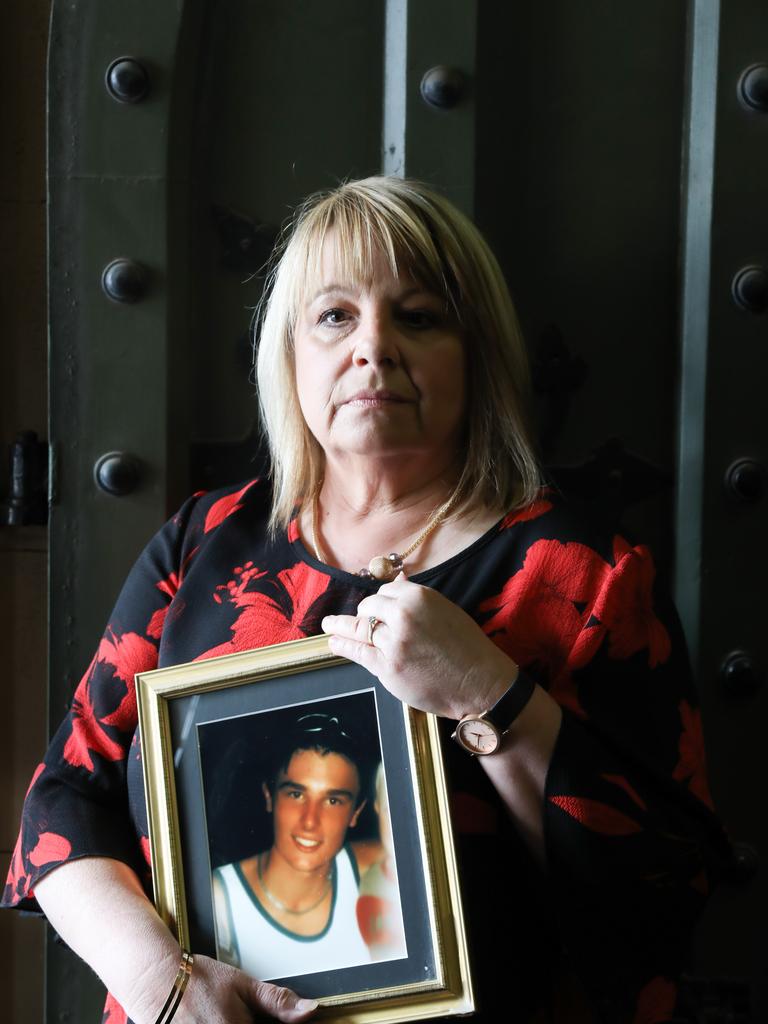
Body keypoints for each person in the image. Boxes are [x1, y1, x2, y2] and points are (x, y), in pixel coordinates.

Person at [2, 175, 729, 1024]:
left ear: (478, 352)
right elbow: (62, 804)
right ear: (292, 356)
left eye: (418, 317)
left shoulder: (587, 573)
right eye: (335, 316)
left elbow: (664, 895)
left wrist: (489, 696)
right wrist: (163, 987)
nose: (373, 348)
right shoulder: (206, 542)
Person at [211, 712, 387, 980]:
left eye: (333, 801)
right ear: (270, 797)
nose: (310, 821)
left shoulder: (373, 868)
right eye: (296, 794)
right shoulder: (220, 898)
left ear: (356, 812)